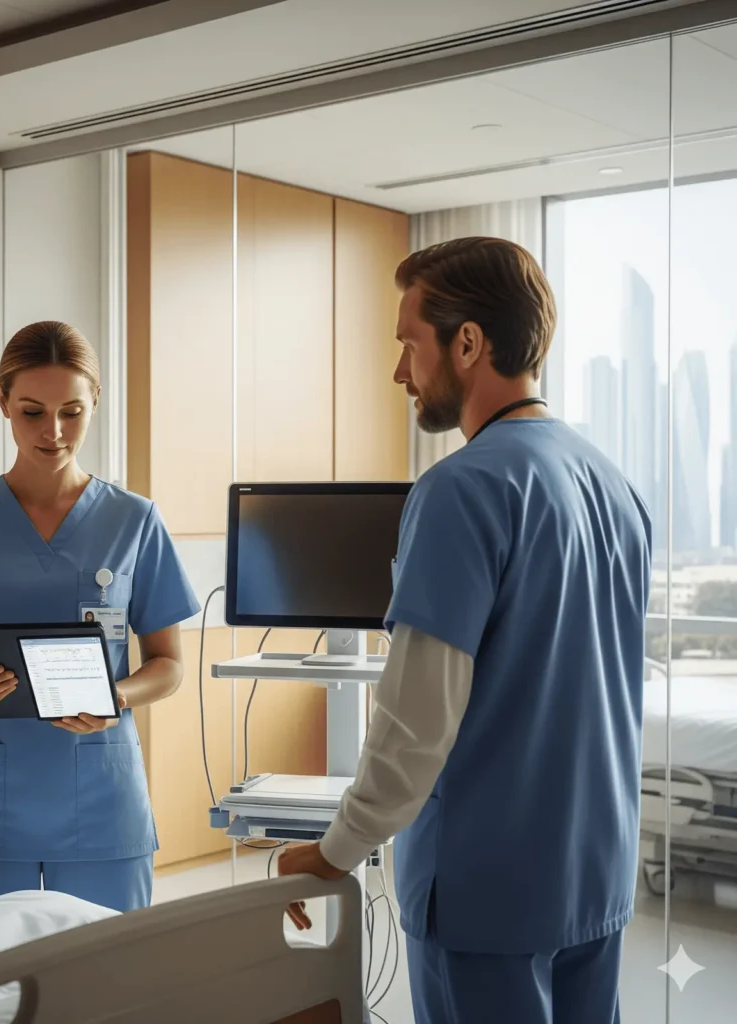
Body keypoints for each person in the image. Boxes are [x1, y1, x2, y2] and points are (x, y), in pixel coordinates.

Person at [278, 237, 651, 1023]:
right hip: (597, 874)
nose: (399, 373)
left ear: (469, 343)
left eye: (409, 344)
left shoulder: (461, 490)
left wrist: (335, 851)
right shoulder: (614, 486)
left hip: (488, 891)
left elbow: (415, 721)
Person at [0, 320, 201, 912]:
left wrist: (116, 696)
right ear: (2, 400)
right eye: (32, 411)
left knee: (106, 984)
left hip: (101, 800)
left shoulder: (134, 521)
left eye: (72, 412)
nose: (53, 432)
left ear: (95, 404)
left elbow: (169, 664)